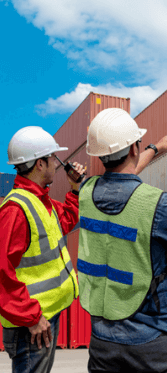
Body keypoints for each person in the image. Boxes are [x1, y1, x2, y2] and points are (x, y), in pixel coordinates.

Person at [78, 108, 167, 373]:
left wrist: (154, 147)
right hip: (152, 340)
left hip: (102, 341)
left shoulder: (85, 193)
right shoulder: (159, 204)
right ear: (133, 147)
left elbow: (120, 179)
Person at [0, 126, 86, 373]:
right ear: (39, 164)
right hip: (31, 325)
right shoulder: (15, 210)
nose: (56, 165)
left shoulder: (42, 202)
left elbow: (67, 219)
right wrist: (32, 317)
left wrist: (75, 188)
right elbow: (1, 274)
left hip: (44, 318)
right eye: (53, 159)